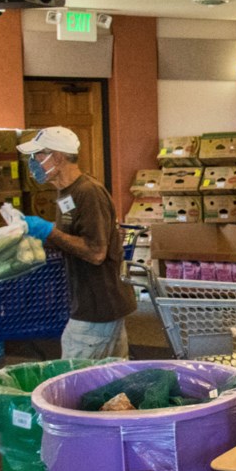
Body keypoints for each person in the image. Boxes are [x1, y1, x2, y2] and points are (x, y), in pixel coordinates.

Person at [17, 126, 136, 359]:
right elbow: (71, 236)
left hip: (97, 305)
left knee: (71, 381)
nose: (33, 162)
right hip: (95, 303)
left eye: (38, 155)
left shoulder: (87, 192)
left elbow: (96, 252)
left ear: (58, 157)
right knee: (110, 379)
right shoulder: (66, 193)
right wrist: (35, 237)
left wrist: (49, 231)